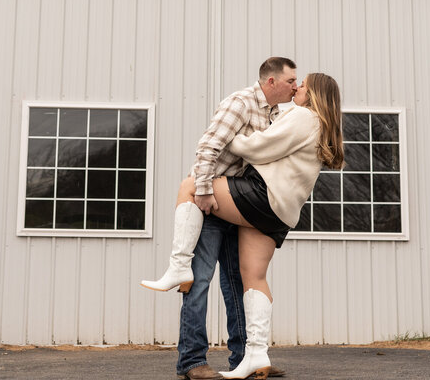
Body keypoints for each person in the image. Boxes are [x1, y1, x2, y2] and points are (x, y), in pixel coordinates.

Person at [144, 71, 345, 380]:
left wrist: (230, 135)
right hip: (278, 216)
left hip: (258, 198)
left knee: (191, 185)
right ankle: (255, 355)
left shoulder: (305, 117)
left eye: (302, 84)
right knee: (253, 278)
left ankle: (178, 265)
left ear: (315, 93)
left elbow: (258, 148)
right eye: (295, 81)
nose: (298, 88)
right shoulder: (323, 128)